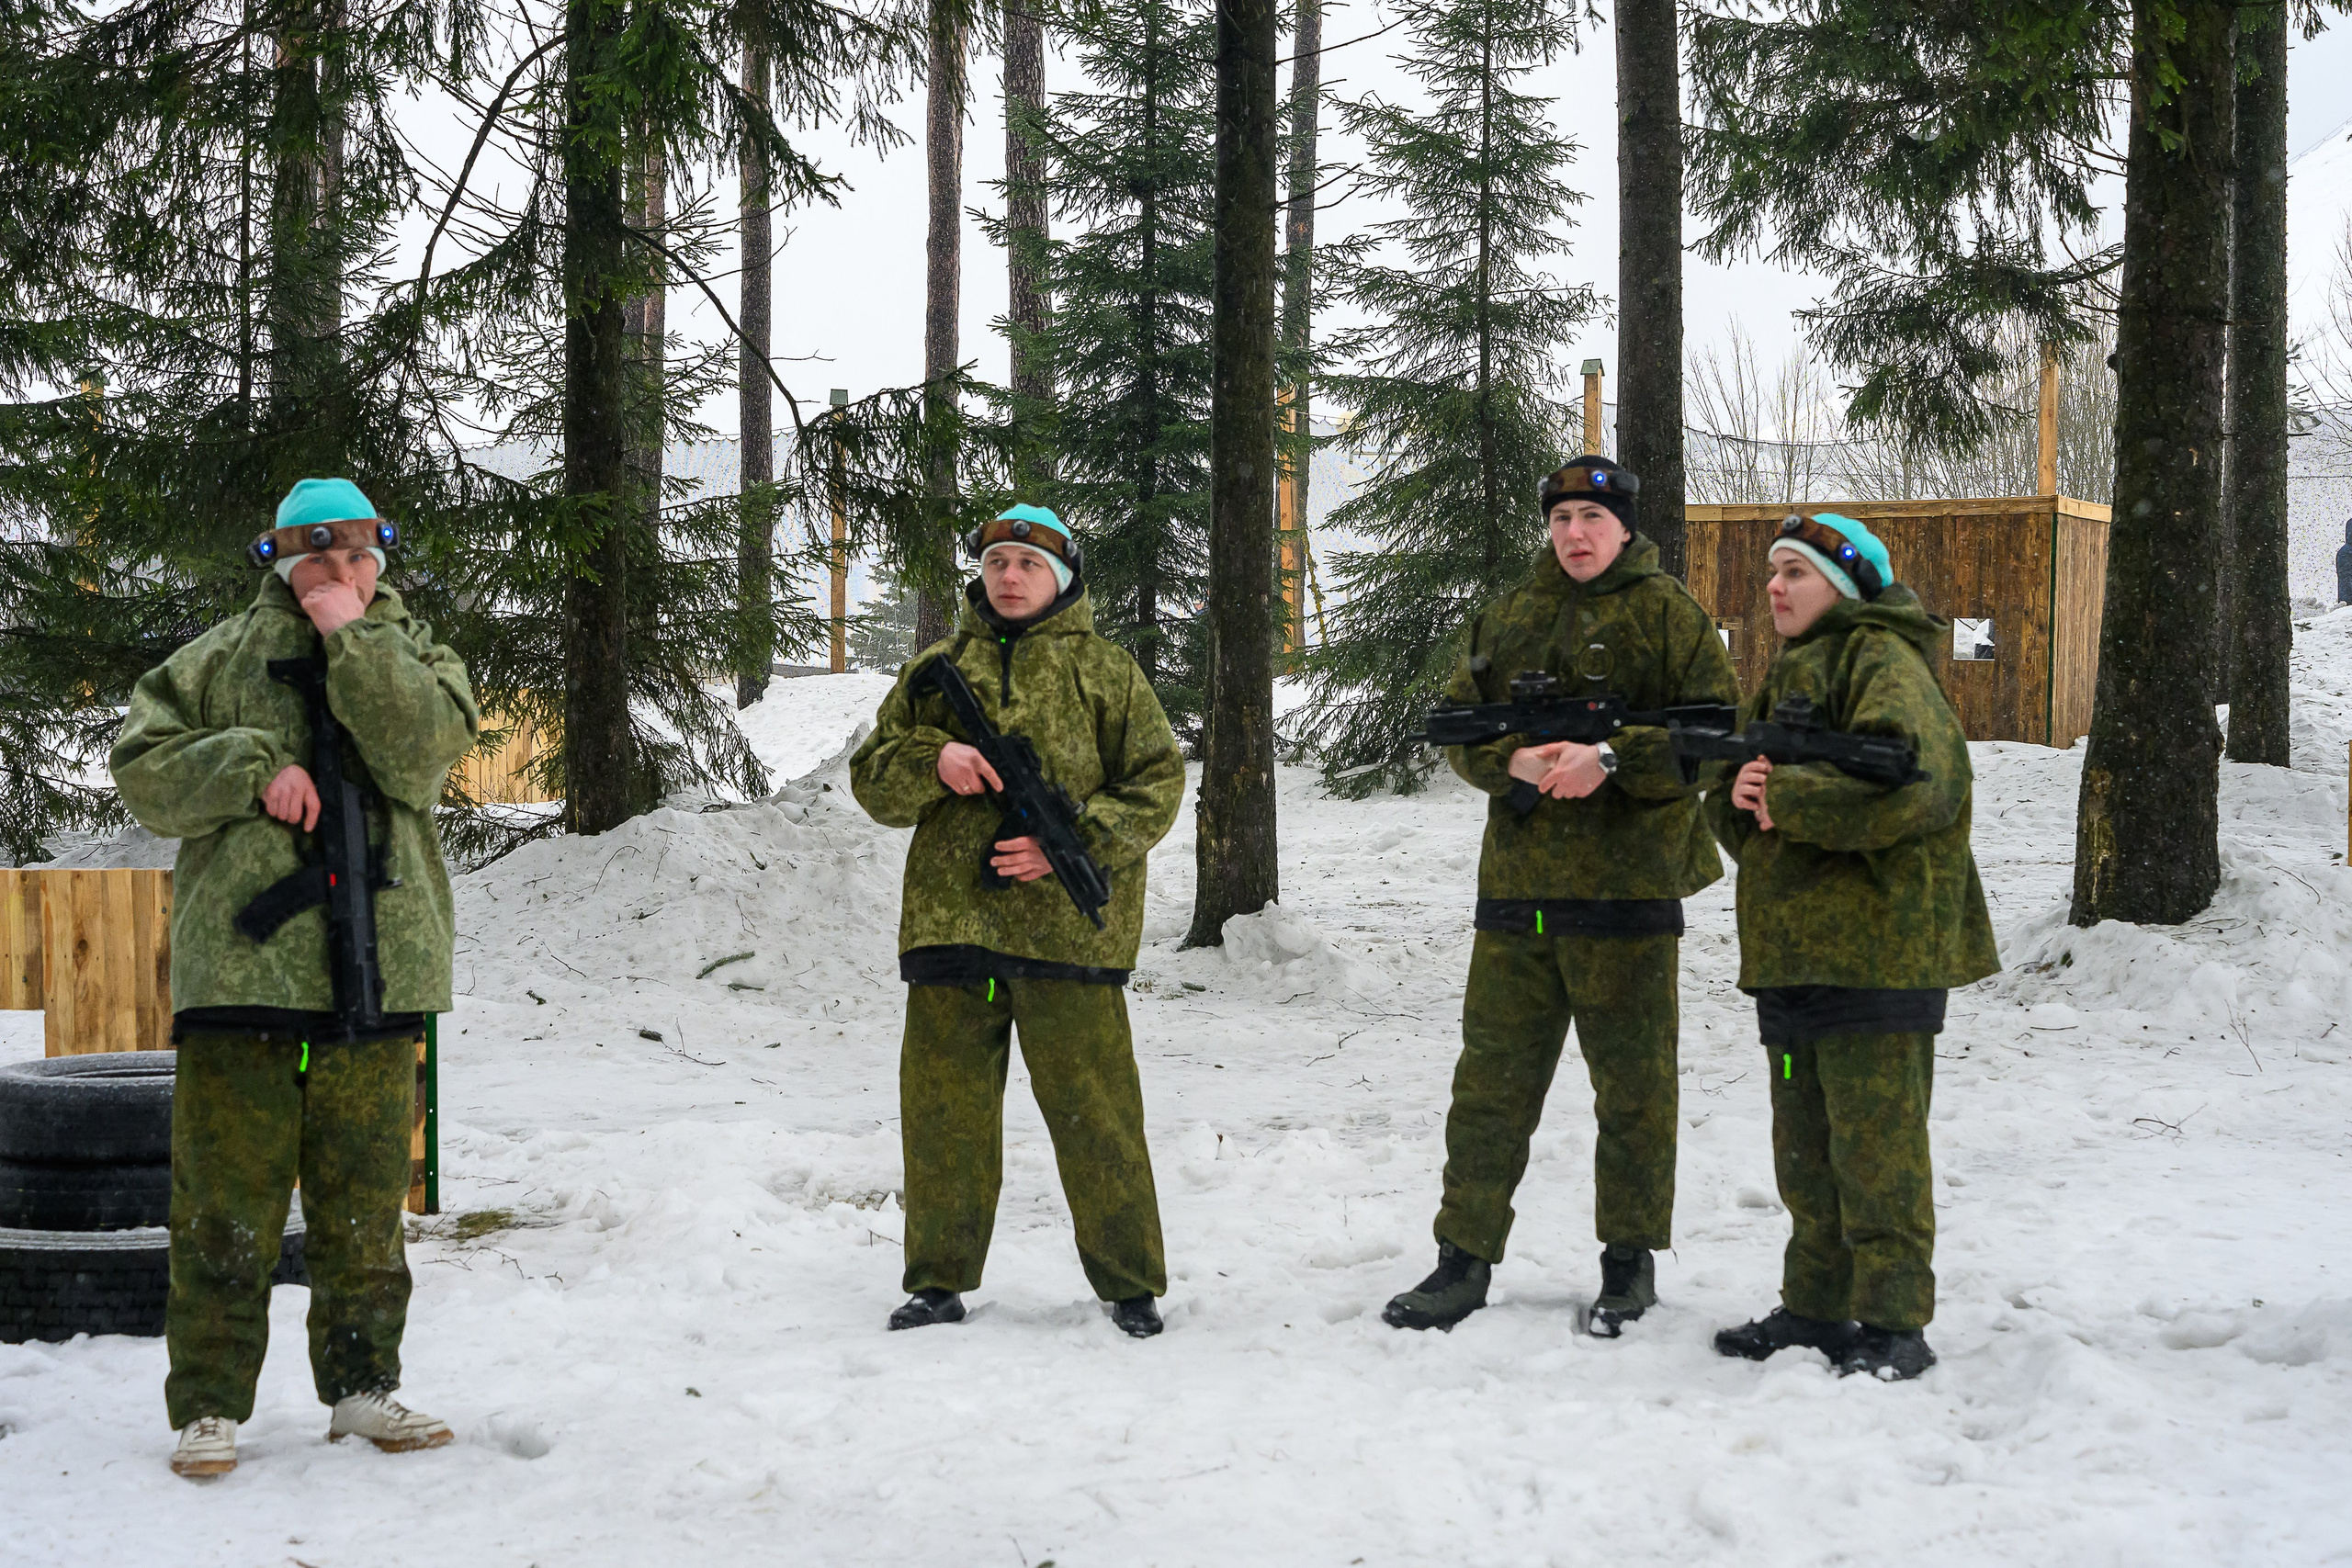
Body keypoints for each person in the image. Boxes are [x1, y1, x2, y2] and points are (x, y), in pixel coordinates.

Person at [111, 479, 481, 1477]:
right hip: (243, 972)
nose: (340, 573)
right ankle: (210, 1406)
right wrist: (248, 764)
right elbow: (143, 768)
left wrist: (351, 636)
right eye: (317, 560)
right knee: (224, 1207)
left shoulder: (421, 658)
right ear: (278, 559)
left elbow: (416, 753)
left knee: (364, 1209)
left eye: (357, 558)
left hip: (380, 970)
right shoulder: (216, 660)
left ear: (380, 561)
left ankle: (363, 1391)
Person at [1383, 457, 1739, 1337]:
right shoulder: (1510, 614)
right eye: (1562, 517)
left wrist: (1612, 758)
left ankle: (1628, 1261)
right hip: (1520, 893)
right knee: (1490, 1088)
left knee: (1633, 1091)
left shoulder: (1670, 614)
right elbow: (1460, 719)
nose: (1575, 533)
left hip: (1629, 893)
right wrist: (1511, 761)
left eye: (1591, 516)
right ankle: (1462, 1260)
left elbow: (1716, 733)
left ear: (1624, 526)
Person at [850, 504, 1183, 1338]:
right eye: (998, 561)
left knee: (1097, 1113)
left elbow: (1157, 784)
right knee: (944, 1116)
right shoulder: (935, 667)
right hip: (951, 927)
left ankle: (1130, 1282)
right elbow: (873, 778)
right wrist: (937, 759)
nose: (1009, 576)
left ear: (1061, 579)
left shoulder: (1108, 673)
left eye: (1029, 565)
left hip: (1070, 935)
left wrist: (1069, 845)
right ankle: (937, 1280)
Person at [1703, 512, 1999, 1382]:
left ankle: (1896, 1321)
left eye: (1794, 570)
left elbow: (1923, 788)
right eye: (1772, 571)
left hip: (1879, 953)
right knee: (1805, 1149)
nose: (1774, 585)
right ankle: (1817, 1306)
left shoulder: (1883, 660)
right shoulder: (1794, 669)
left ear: (1844, 583)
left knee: (1878, 1149)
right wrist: (1739, 789)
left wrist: (1785, 795)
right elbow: (1752, 818)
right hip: (1795, 958)